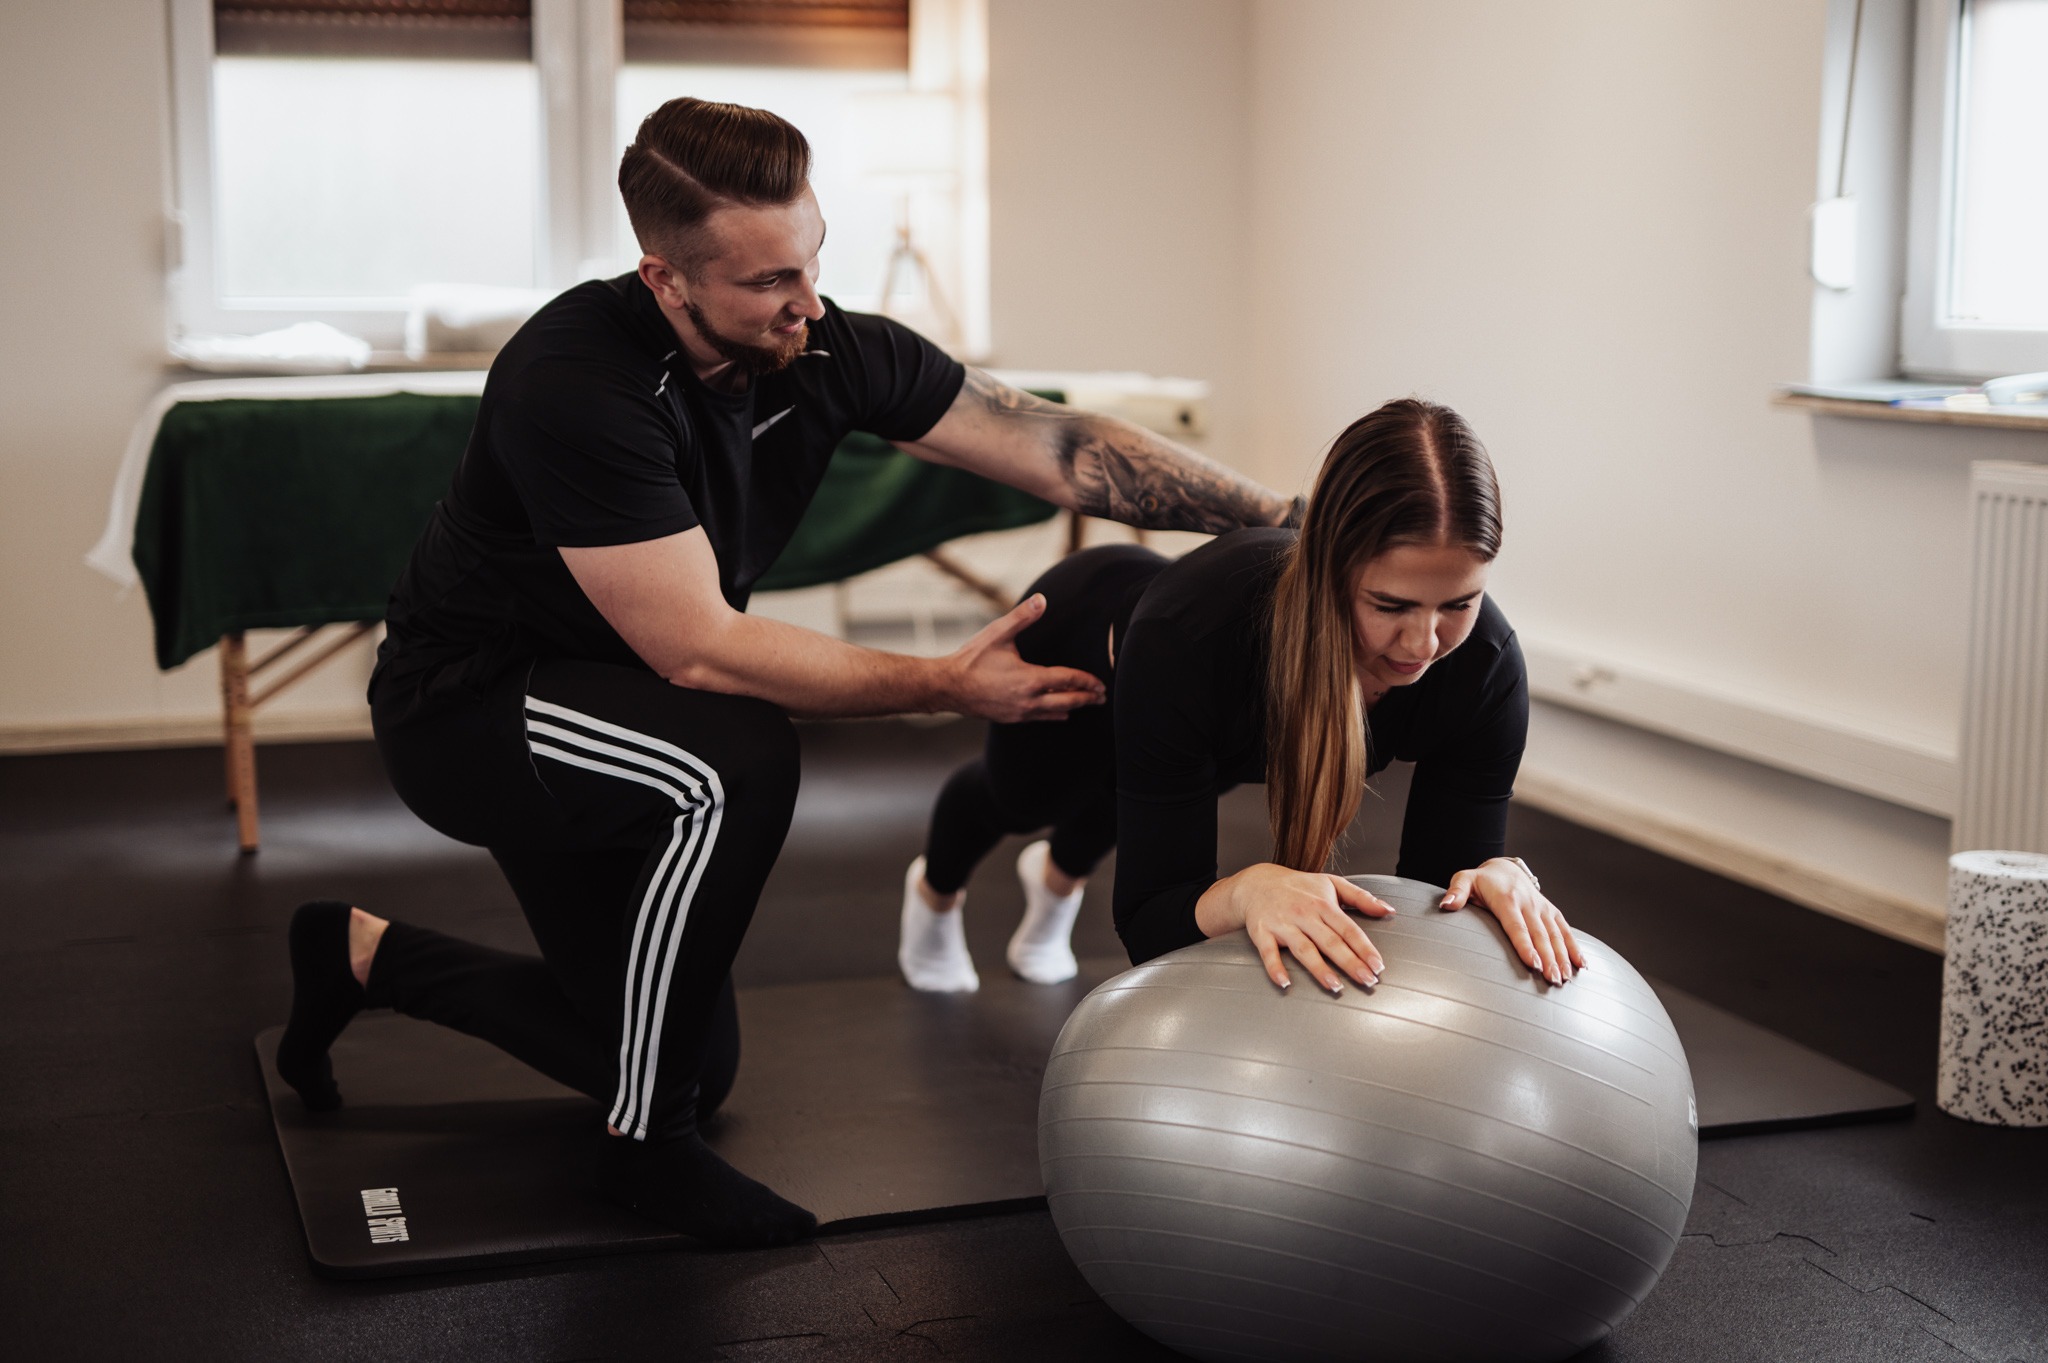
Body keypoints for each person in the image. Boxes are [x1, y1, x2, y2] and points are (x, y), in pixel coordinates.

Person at [268, 97, 1298, 1250]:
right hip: (474, 708)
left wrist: (1288, 522)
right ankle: (643, 1152)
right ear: (664, 279)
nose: (807, 301)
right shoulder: (575, 381)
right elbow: (698, 647)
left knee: (679, 1057)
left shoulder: (822, 346)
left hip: (625, 717)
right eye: (767, 281)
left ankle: (361, 957)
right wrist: (943, 682)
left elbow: (1056, 446)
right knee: (738, 762)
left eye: (812, 260)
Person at [903, 398, 1586, 997]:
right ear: (1328, 570)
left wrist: (1487, 879)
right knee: (1027, 796)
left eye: (1459, 603)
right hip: (1087, 633)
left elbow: (1435, 897)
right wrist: (1245, 888)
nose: (1424, 643)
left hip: (1220, 709)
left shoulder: (1484, 667)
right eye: (1390, 604)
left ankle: (1054, 882)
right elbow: (1148, 924)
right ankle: (933, 895)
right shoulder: (1192, 638)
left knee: (1131, 796)